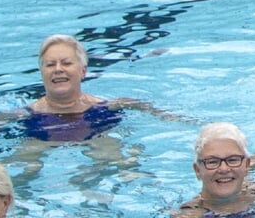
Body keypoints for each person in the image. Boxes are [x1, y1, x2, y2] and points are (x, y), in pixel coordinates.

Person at [18, 34, 180, 141]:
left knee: (122, 163)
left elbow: (139, 105)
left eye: (66, 63)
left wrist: (171, 117)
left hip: (94, 129)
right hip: (39, 132)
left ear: (83, 71)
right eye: (50, 64)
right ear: (42, 73)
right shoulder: (27, 115)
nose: (58, 69)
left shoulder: (101, 110)